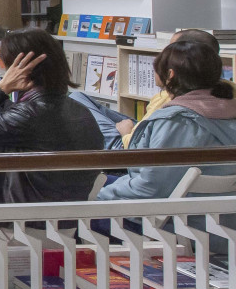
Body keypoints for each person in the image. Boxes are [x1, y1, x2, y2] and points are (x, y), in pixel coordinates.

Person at [0, 28, 103, 203]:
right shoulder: (81, 110)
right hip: (64, 220)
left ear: (20, 69)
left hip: (22, 221)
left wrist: (1, 87)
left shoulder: (29, 113)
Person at [99, 40, 236, 201]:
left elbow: (151, 189)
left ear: (170, 75)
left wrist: (95, 198)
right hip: (221, 216)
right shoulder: (228, 109)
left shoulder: (174, 122)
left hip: (174, 219)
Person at [114, 29, 228, 146]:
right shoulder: (226, 100)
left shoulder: (169, 118)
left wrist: (126, 134)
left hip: (131, 148)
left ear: (171, 74)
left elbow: (147, 159)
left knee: (96, 111)